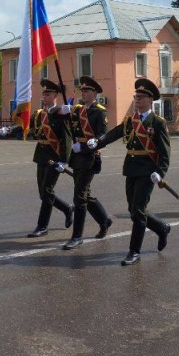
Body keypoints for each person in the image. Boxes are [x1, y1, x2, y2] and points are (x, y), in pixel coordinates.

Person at [89, 77, 170, 265]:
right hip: (131, 168)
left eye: (141, 97)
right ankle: (161, 228)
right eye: (136, 96)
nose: (138, 99)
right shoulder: (130, 120)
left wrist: (161, 172)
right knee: (133, 210)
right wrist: (98, 142)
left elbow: (165, 151)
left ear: (150, 100)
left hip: (148, 171)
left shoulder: (157, 122)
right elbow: (114, 134)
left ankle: (134, 251)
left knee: (139, 211)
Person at [63, 76, 113, 250]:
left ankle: (77, 236)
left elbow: (103, 134)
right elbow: (69, 125)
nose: (83, 93)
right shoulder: (78, 109)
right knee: (86, 194)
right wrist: (61, 111)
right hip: (76, 157)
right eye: (82, 91)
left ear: (94, 92)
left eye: (86, 91)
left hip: (89, 157)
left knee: (79, 197)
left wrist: (87, 145)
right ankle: (104, 220)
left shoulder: (99, 111)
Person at [26, 79, 74, 238]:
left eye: (48, 94)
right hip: (41, 155)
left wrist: (64, 160)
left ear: (56, 95)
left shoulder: (61, 113)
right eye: (44, 94)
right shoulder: (40, 114)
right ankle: (67, 208)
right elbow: (30, 128)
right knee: (43, 193)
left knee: (46, 191)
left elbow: (67, 138)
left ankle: (42, 226)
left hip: (55, 156)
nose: (45, 96)